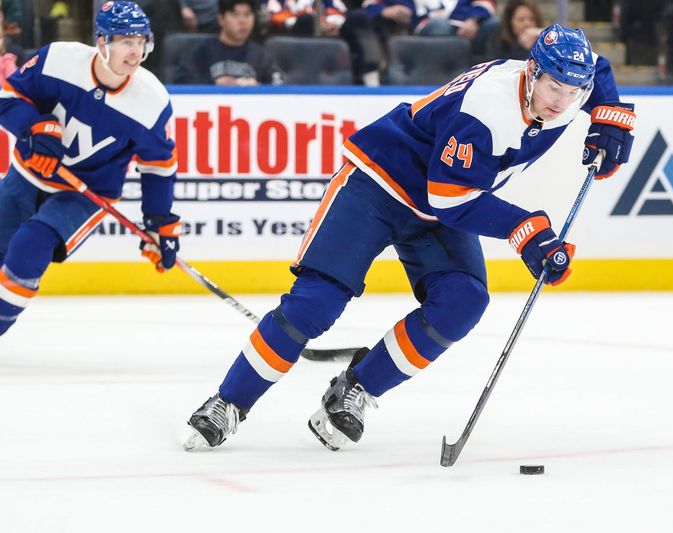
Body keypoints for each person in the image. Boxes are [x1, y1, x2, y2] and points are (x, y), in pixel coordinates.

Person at [183, 24, 636, 453]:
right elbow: (452, 202)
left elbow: (597, 69)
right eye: (554, 87)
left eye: (573, 92)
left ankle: (354, 389)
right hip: (377, 185)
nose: (562, 101)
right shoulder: (487, 109)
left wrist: (610, 117)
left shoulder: (569, 80)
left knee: (463, 302)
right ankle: (228, 403)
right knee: (315, 304)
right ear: (532, 71)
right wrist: (528, 231)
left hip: (438, 204)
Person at [0, 1, 180, 337]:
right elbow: (7, 97)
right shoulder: (58, 59)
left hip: (84, 195)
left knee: (30, 244)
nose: (135, 52)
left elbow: (158, 167)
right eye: (126, 41)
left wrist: (160, 222)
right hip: (27, 173)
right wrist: (35, 127)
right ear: (102, 42)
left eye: (141, 42)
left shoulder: (151, 100)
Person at [175, 0, 283, 85]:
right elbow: (181, 82)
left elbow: (280, 83)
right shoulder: (201, 52)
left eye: (247, 14)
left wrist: (257, 87)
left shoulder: (260, 55)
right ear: (221, 19)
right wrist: (214, 84)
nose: (242, 21)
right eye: (235, 14)